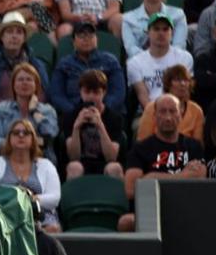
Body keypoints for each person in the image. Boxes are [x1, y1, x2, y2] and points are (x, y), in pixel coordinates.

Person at [118, 95, 207, 230]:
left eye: (172, 111)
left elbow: (201, 177)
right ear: (154, 116)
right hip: (150, 211)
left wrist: (152, 178)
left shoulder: (193, 146)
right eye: (163, 111)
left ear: (181, 115)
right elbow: (130, 189)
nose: (168, 117)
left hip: (185, 208)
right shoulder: (140, 149)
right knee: (126, 222)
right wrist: (183, 175)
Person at [0, 120, 63, 231]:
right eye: (16, 133)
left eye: (26, 132)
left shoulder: (46, 165)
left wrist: (31, 199)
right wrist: (14, 199)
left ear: (33, 138)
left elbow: (55, 198)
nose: (21, 135)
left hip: (40, 217)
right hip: (5, 214)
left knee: (53, 228)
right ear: (9, 138)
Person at [48, 22, 126, 118]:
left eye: (90, 35)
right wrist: (74, 111)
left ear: (96, 39)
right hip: (73, 114)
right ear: (73, 41)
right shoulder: (64, 64)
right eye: (81, 36)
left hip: (105, 114)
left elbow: (118, 92)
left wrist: (103, 109)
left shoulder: (110, 61)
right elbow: (57, 95)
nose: (86, 39)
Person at [61, 69, 125, 179]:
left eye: (96, 92)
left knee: (115, 168)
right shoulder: (70, 116)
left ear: (103, 93)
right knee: (74, 167)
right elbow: (73, 156)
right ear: (80, 92)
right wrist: (76, 127)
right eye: (87, 92)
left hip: (104, 163)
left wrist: (100, 126)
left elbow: (112, 157)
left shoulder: (114, 118)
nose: (91, 96)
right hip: (81, 162)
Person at [0, 63, 59, 161]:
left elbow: (48, 138)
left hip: (40, 160)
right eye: (20, 79)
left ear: (36, 85)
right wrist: (26, 143)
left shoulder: (47, 111)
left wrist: (34, 112)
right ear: (13, 85)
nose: (24, 83)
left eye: (29, 79)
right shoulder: (1, 109)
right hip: (7, 159)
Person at [128, 14, 194, 113]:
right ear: (148, 33)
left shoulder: (184, 58)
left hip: (179, 112)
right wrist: (158, 117)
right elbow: (142, 95)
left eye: (165, 29)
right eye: (156, 29)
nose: (161, 33)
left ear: (172, 33)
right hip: (148, 113)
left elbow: (184, 93)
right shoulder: (135, 62)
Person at [122, 0, 188, 58]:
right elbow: (131, 49)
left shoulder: (178, 15)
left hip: (171, 62)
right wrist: (151, 62)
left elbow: (179, 46)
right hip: (141, 64)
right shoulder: (128, 18)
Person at [137, 65, 205, 143]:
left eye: (186, 80)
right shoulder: (152, 108)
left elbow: (198, 145)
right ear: (168, 84)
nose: (182, 84)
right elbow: (143, 141)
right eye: (177, 80)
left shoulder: (196, 110)